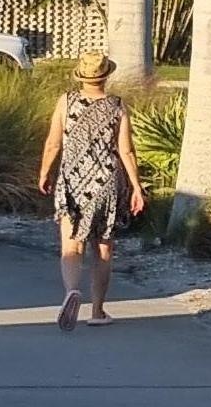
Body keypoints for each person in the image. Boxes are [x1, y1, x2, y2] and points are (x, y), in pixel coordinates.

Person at [37, 51, 145, 328]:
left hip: (73, 180)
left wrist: (44, 172)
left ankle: (72, 290)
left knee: (71, 244)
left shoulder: (66, 102)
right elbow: (126, 150)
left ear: (81, 76)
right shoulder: (117, 106)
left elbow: (53, 143)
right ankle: (97, 312)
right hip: (106, 183)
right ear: (106, 76)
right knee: (103, 248)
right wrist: (136, 187)